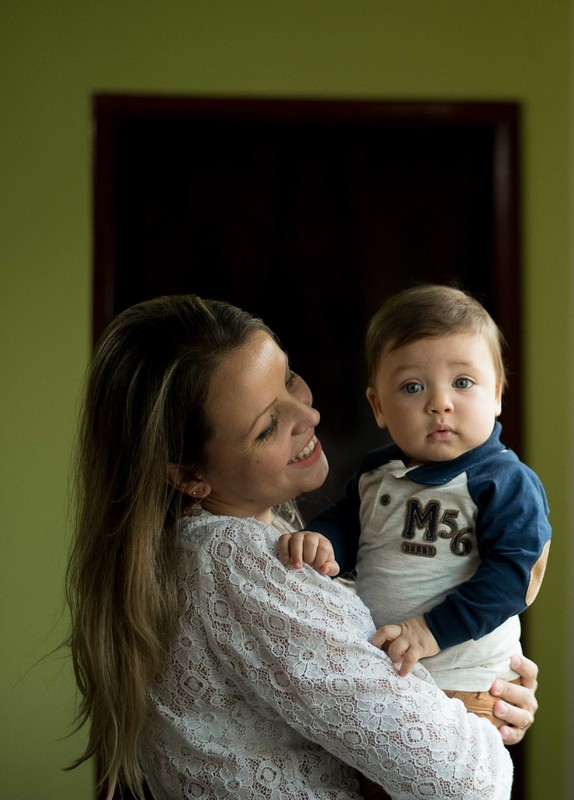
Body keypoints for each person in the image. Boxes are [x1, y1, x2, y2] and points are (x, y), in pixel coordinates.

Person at [66, 295, 538, 800]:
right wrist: (476, 723)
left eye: (290, 378)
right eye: (267, 426)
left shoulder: (217, 546)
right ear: (188, 474)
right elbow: (468, 781)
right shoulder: (243, 562)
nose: (308, 414)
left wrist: (479, 676)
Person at [276, 284, 552, 728]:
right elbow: (349, 526)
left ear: (497, 394)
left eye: (463, 382)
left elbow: (512, 578)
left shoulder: (504, 484)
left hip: (464, 683)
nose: (439, 402)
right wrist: (323, 541)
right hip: (383, 674)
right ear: (378, 406)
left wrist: (429, 630)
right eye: (412, 386)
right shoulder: (374, 474)